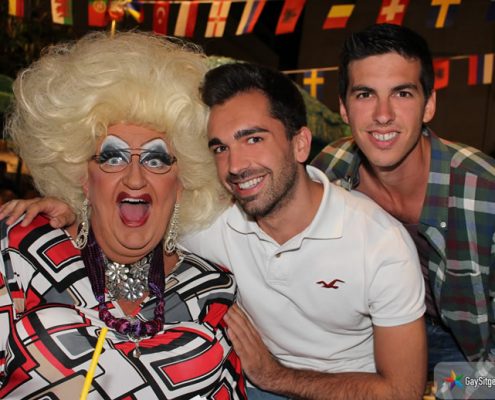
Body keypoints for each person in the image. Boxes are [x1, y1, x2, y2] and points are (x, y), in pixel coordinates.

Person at [0, 63, 427, 399]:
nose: (236, 165)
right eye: (220, 147)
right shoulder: (21, 251)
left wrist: (274, 375)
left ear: (300, 144)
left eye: (254, 139)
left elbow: (403, 390)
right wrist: (69, 211)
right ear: (81, 174)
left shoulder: (380, 245)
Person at [0, 31, 246, 399]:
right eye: (112, 157)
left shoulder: (211, 288)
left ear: (182, 183)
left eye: (156, 159)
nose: (134, 177)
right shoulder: (19, 253)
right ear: (83, 178)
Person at [311, 23, 495, 375]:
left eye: (402, 93)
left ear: (429, 105)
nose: (383, 114)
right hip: (370, 338)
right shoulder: (328, 173)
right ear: (344, 109)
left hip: (470, 354)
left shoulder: (484, 192)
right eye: (365, 94)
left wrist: (469, 387)